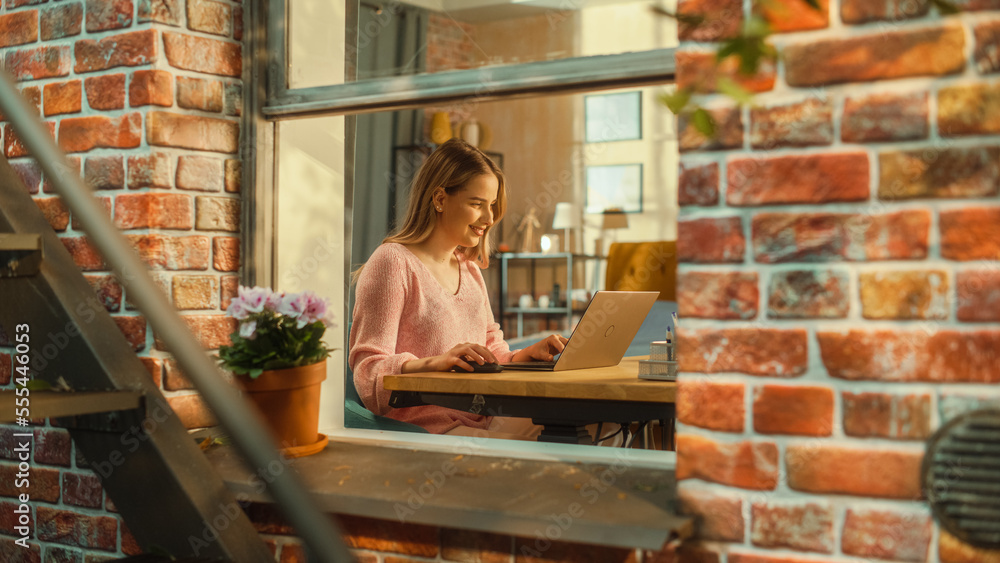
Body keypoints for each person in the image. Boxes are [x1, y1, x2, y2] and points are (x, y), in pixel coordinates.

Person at [348, 138, 567, 439]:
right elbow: (368, 372)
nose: (489, 219)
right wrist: (436, 363)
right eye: (477, 204)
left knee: (596, 423)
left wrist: (524, 355)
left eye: (491, 206)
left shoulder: (470, 270)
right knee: (563, 438)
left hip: (484, 419)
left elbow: (491, 354)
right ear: (440, 199)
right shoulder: (392, 262)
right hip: (430, 428)